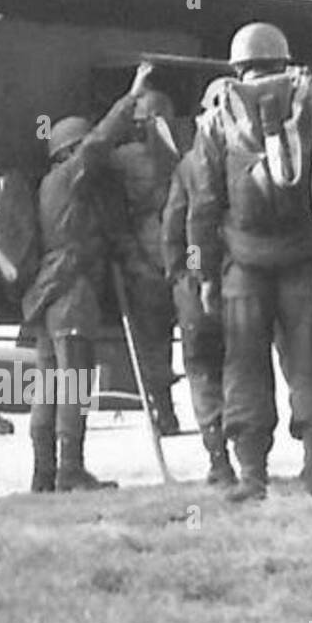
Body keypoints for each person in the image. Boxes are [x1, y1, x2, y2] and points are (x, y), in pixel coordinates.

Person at [186, 23, 312, 501]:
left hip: (243, 266)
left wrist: (203, 275)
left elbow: (202, 208)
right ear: (284, 58)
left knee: (244, 366)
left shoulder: (216, 121)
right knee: (308, 362)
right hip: (304, 260)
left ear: (238, 64)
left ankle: (252, 475)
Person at [20, 63, 153, 491]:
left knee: (48, 386)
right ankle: (71, 470)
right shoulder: (70, 177)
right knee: (73, 383)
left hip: (45, 296)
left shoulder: (47, 185)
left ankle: (44, 474)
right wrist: (133, 94)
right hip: (71, 294)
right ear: (71, 151)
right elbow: (98, 144)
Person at [162, 117, 233, 485]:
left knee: (203, 371)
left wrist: (187, 274)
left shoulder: (189, 166)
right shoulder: (247, 155)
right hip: (241, 278)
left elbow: (177, 228)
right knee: (242, 368)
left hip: (198, 289)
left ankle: (220, 460)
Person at [112, 88, 182, 435]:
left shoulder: (123, 157)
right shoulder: (183, 156)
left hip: (145, 263)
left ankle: (162, 412)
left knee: (153, 345)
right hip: (177, 262)